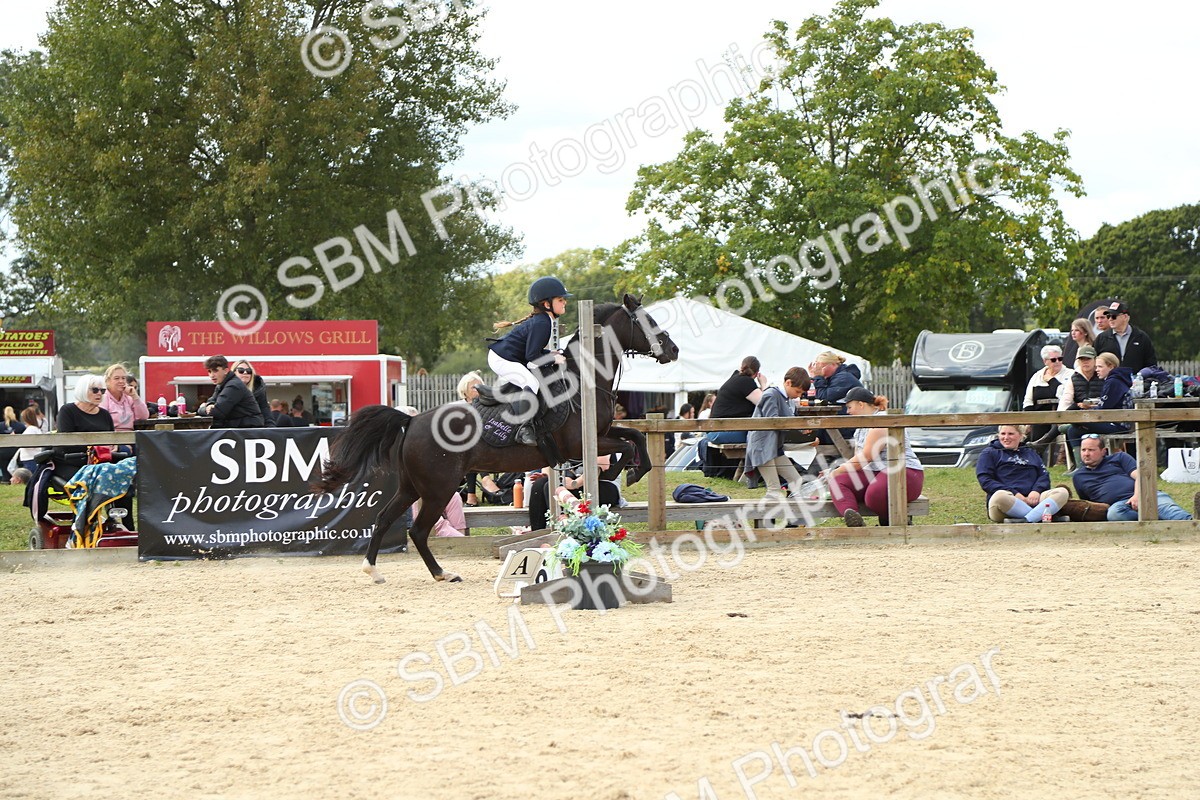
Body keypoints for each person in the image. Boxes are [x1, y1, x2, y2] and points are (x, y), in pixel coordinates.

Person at [487, 276, 571, 447]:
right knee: (531, 382)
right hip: (502, 359)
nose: (565, 303)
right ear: (546, 304)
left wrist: (550, 353)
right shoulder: (543, 323)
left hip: (509, 356)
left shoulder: (544, 321)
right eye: (560, 300)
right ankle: (524, 429)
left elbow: (533, 353)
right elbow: (532, 359)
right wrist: (553, 358)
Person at [826, 387, 925, 527]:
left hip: (904, 472)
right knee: (838, 482)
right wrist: (836, 475)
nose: (847, 412)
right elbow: (858, 458)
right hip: (876, 473)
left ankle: (895, 522)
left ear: (861, 404)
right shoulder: (861, 426)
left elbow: (865, 457)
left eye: (849, 407)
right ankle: (853, 518)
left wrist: (837, 470)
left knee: (874, 496)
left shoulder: (881, 421)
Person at [1073, 434, 1192, 521]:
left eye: (1091, 450)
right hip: (1120, 506)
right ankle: (1159, 522)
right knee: (1114, 515)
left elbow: (1140, 475)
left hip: (1144, 493)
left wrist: (1137, 496)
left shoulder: (1119, 457)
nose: (1086, 454)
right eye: (1083, 450)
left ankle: (1193, 524)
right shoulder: (1079, 476)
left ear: (1103, 451)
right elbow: (1089, 504)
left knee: (1170, 510)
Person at [975, 425, 1068, 522]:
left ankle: (1027, 520)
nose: (1006, 438)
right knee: (999, 496)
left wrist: (1036, 491)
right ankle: (1041, 517)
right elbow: (985, 480)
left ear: (1021, 436)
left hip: (1034, 500)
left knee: (1062, 492)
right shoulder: (989, 453)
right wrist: (1015, 494)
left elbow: (1043, 475)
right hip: (1006, 502)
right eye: (1003, 434)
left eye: (1010, 434)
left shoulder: (1030, 452)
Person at [744, 367, 811, 501]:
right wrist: (800, 434)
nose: (798, 395)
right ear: (788, 383)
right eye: (797, 391)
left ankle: (795, 519)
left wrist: (803, 433)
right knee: (774, 489)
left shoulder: (786, 399)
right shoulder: (771, 395)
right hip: (763, 446)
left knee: (796, 481)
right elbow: (773, 422)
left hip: (774, 448)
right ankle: (766, 519)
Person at [698, 356, 768, 478]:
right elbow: (766, 403)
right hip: (721, 432)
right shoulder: (745, 382)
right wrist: (764, 384)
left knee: (756, 435)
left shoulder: (735, 379)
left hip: (715, 430)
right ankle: (761, 474)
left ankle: (747, 475)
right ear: (757, 373)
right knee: (760, 437)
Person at [527, 456, 624, 531]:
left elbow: (600, 465)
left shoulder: (595, 432)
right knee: (539, 485)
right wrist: (548, 476)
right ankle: (537, 536)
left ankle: (563, 533)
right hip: (571, 483)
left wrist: (574, 484)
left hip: (602, 485)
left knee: (550, 487)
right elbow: (549, 462)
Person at [1064, 352, 1133, 449]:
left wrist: (1085, 412)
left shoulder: (1113, 382)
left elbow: (1104, 408)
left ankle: (1081, 463)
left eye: (1100, 367)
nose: (1096, 370)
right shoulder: (1115, 380)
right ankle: (1081, 462)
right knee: (1073, 428)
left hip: (1118, 425)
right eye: (1096, 367)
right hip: (1115, 421)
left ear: (1111, 366)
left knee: (1074, 428)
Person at [1024, 344, 1074, 446]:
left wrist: (1051, 381)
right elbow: (1028, 399)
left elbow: (1063, 393)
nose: (1058, 362)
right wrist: (1028, 420)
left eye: (1060, 359)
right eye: (1053, 360)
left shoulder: (1070, 374)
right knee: (1034, 433)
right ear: (1045, 361)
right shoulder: (1037, 376)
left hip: (1061, 414)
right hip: (1039, 416)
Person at [197, 355, 264, 428]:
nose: (212, 375)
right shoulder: (222, 384)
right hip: (241, 428)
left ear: (225, 371)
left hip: (248, 429)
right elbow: (212, 401)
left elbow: (217, 412)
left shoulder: (233, 385)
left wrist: (203, 408)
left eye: (215, 371)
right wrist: (208, 406)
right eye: (209, 371)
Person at [1094, 302, 1157, 373]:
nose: (1110, 319)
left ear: (1125, 317)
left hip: (1135, 382)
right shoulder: (1102, 338)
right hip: (1110, 382)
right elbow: (1094, 362)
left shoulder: (1141, 337)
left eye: (1114, 316)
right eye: (1108, 316)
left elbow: (1151, 365)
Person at [99, 363, 149, 432]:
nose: (121, 381)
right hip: (111, 436)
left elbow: (143, 416)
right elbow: (101, 421)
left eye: (123, 378)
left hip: (130, 436)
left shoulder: (129, 398)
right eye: (116, 378)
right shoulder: (104, 397)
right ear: (108, 381)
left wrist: (135, 396)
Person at [232, 360, 274, 427]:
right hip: (232, 431)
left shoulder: (259, 391)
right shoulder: (226, 388)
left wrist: (271, 431)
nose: (245, 372)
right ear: (234, 372)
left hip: (254, 431)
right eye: (241, 370)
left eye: (249, 371)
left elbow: (266, 414)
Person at [17, 407, 43, 473]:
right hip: (32, 457)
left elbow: (29, 444)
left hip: (30, 458)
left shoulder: (31, 429)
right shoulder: (36, 429)